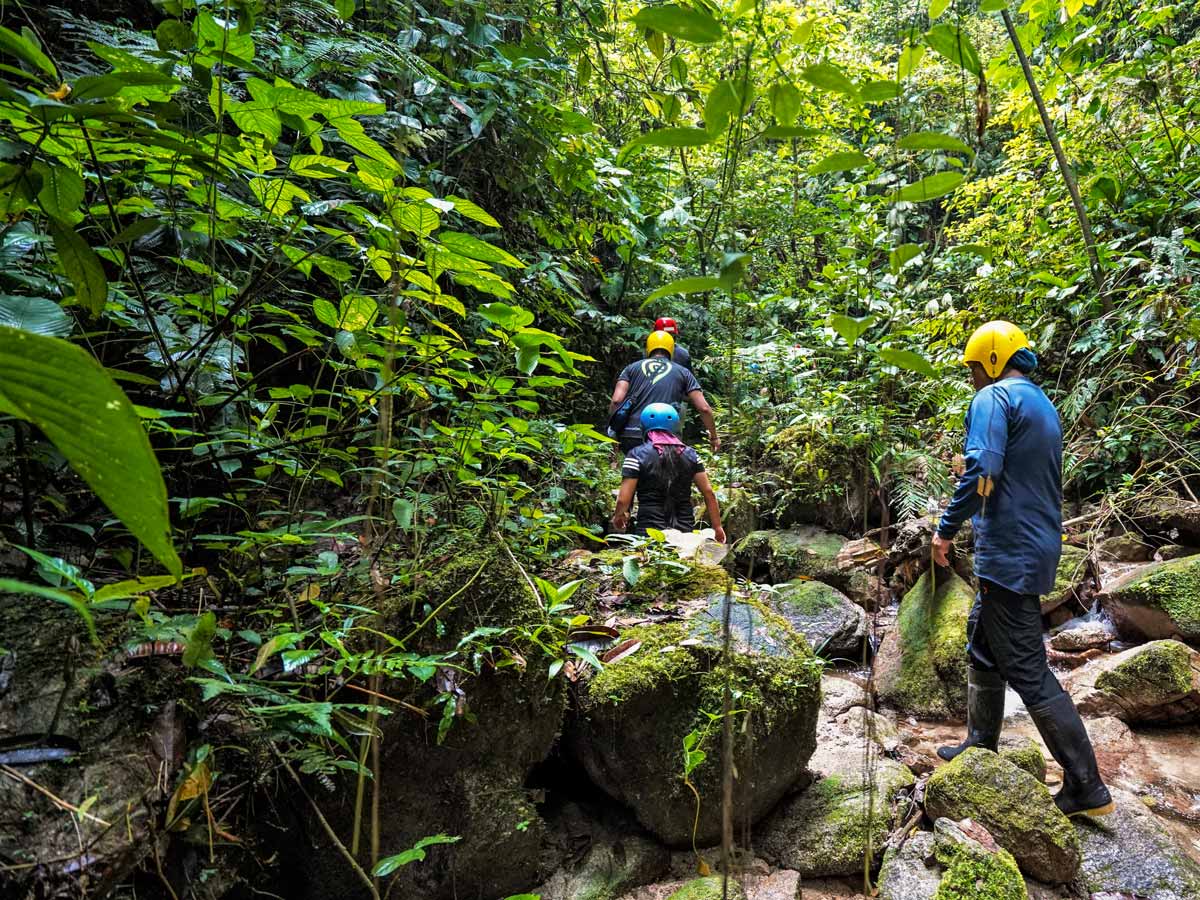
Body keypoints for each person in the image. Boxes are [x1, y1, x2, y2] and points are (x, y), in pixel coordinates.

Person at [933, 320, 1113, 818]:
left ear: (991, 360)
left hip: (1008, 552)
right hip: (1035, 547)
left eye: (974, 368)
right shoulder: (1040, 401)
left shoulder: (993, 399)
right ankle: (980, 742)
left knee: (1030, 670)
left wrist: (945, 530)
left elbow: (982, 470)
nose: (972, 377)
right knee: (982, 643)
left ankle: (1087, 786)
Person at [611, 403, 725, 541]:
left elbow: (623, 499)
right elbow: (708, 493)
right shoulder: (692, 455)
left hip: (650, 531)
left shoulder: (636, 455)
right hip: (684, 530)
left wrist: (618, 516)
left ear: (644, 426)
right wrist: (717, 527)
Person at [608, 331, 719, 455]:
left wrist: (614, 433)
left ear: (648, 348)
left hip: (631, 434)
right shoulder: (683, 372)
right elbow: (704, 408)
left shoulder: (630, 368)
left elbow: (616, 400)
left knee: (633, 470)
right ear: (671, 349)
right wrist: (714, 436)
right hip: (666, 435)